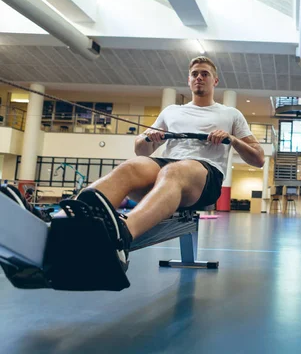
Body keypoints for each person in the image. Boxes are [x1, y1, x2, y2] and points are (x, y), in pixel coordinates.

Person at [1, 56, 265, 271]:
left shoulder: (229, 113)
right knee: (130, 166)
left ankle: (122, 236)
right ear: (188, 80)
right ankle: (57, 221)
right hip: (165, 164)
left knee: (175, 171)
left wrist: (231, 139)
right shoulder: (171, 111)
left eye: (205, 74)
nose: (199, 77)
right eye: (195, 73)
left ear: (215, 80)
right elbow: (141, 149)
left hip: (204, 174)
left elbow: (258, 159)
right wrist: (148, 137)